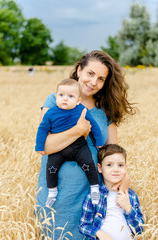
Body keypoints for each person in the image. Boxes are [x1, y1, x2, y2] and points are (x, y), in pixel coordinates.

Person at [35, 50, 135, 239]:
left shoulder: (105, 110)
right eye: (90, 73)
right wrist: (78, 130)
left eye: (101, 79)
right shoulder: (56, 100)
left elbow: (112, 153)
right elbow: (45, 147)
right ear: (79, 70)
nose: (93, 82)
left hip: (92, 196)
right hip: (58, 196)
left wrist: (125, 176)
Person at [35, 78, 104, 207]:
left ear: (78, 100)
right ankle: (52, 192)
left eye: (70, 96)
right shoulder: (51, 113)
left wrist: (99, 141)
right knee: (51, 169)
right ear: (56, 97)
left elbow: (94, 126)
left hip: (79, 146)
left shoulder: (82, 110)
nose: (65, 99)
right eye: (61, 95)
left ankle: (94, 188)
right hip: (58, 150)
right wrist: (39, 145)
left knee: (89, 164)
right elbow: (42, 129)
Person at [79, 144, 144, 240]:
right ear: (100, 168)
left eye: (120, 165)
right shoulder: (94, 196)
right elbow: (83, 225)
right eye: (109, 165)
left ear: (126, 168)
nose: (116, 169)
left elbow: (139, 229)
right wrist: (98, 233)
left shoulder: (131, 195)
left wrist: (128, 208)